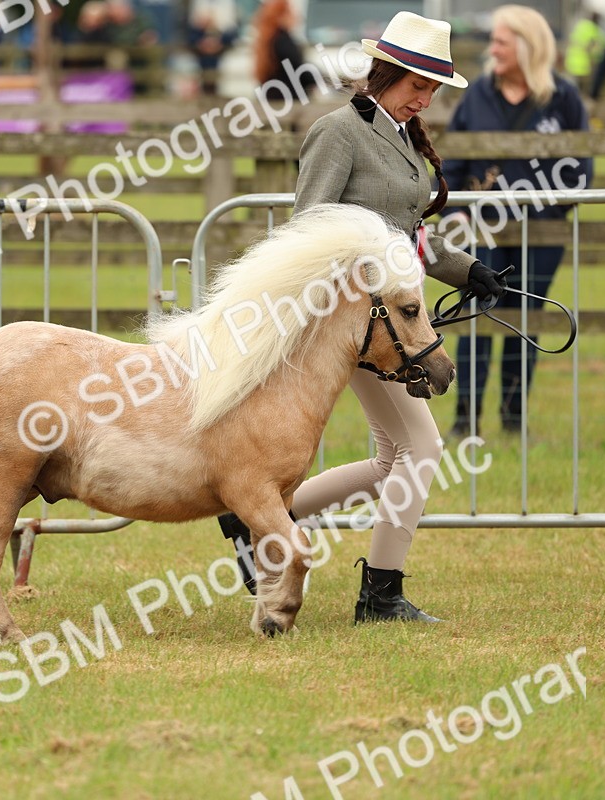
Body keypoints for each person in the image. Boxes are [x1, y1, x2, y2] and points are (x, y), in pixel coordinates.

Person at [217, 11, 509, 623]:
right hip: (352, 325)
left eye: (432, 91)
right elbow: (308, 230)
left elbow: (408, 232)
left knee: (391, 458)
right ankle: (381, 593)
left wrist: (465, 268)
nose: (424, 100)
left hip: (389, 320)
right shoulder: (337, 132)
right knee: (423, 447)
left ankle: (264, 520)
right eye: (417, 87)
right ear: (385, 74)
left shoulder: (402, 136)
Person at [442, 5, 593, 437]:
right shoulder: (478, 95)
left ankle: (513, 419)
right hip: (483, 230)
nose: (493, 49)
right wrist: (457, 210)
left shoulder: (563, 99)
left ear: (527, 46)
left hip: (540, 234)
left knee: (525, 318)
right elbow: (452, 162)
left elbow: (581, 167)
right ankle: (465, 419)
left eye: (501, 42)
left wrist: (551, 211)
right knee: (478, 317)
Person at [253, 0, 316, 103]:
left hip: (272, 99)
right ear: (281, 16)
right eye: (291, 12)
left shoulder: (268, 40)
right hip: (286, 101)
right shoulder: (282, 41)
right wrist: (324, 79)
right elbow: (299, 69)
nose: (296, 16)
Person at [564, 7, 605, 91]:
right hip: (584, 67)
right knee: (584, 92)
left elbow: (571, 41)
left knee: (573, 90)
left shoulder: (580, 25)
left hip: (571, 64)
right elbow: (595, 48)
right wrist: (599, 58)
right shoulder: (593, 29)